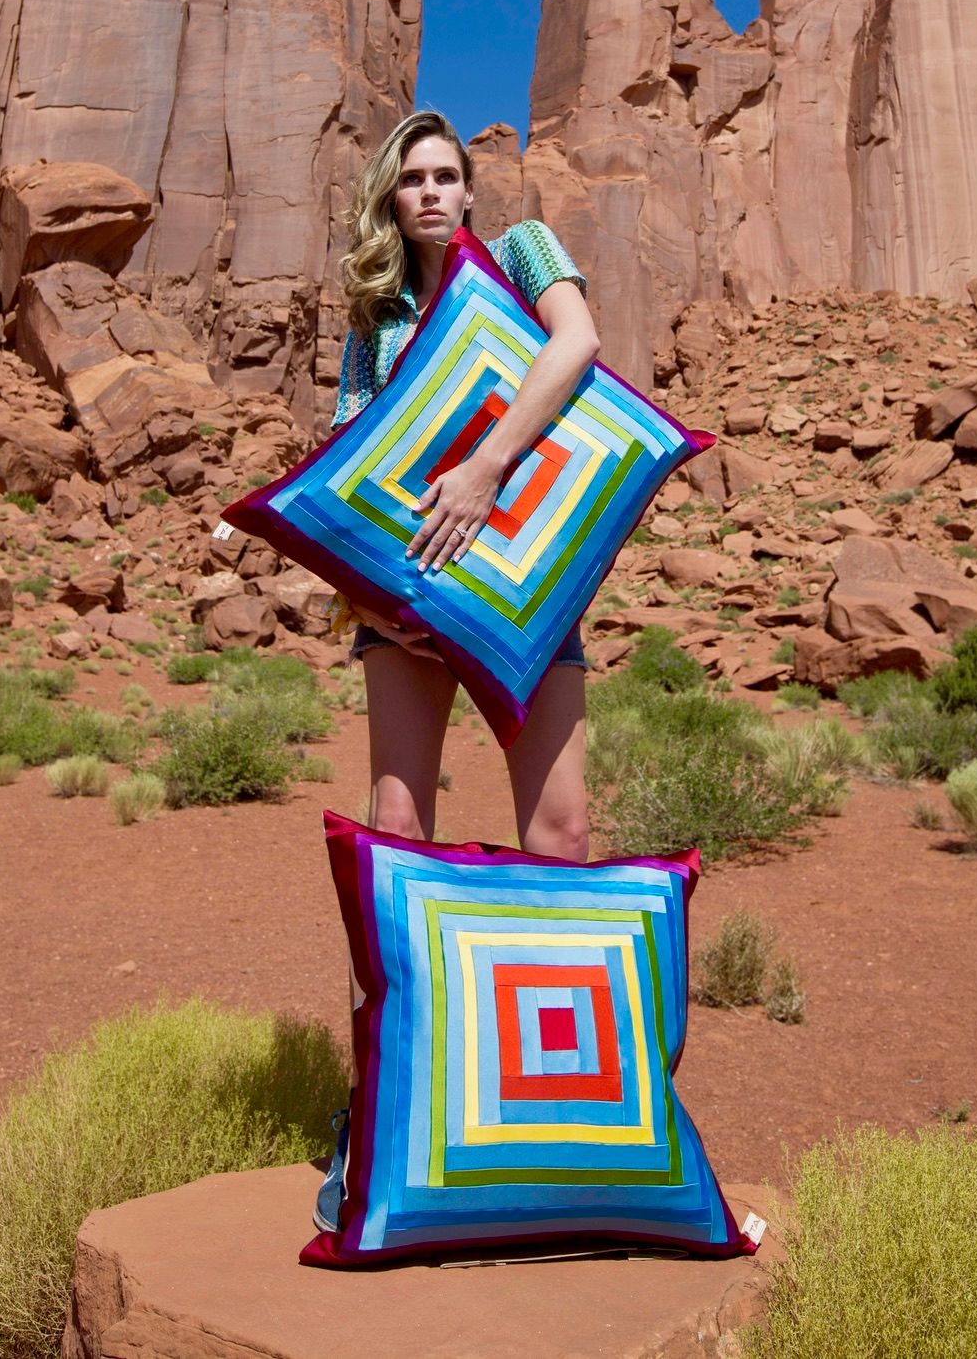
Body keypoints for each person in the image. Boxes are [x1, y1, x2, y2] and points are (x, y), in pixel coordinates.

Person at [313, 108, 602, 1230]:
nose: (430, 192)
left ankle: (558, 1116)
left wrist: (483, 468)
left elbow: (575, 348)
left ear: (471, 190)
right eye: (411, 179)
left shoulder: (522, 255)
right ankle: (384, 1108)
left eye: (445, 175)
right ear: (391, 201)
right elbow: (349, 459)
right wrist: (380, 602)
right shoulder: (376, 319)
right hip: (409, 606)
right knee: (395, 842)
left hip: (526, 589)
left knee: (560, 837)